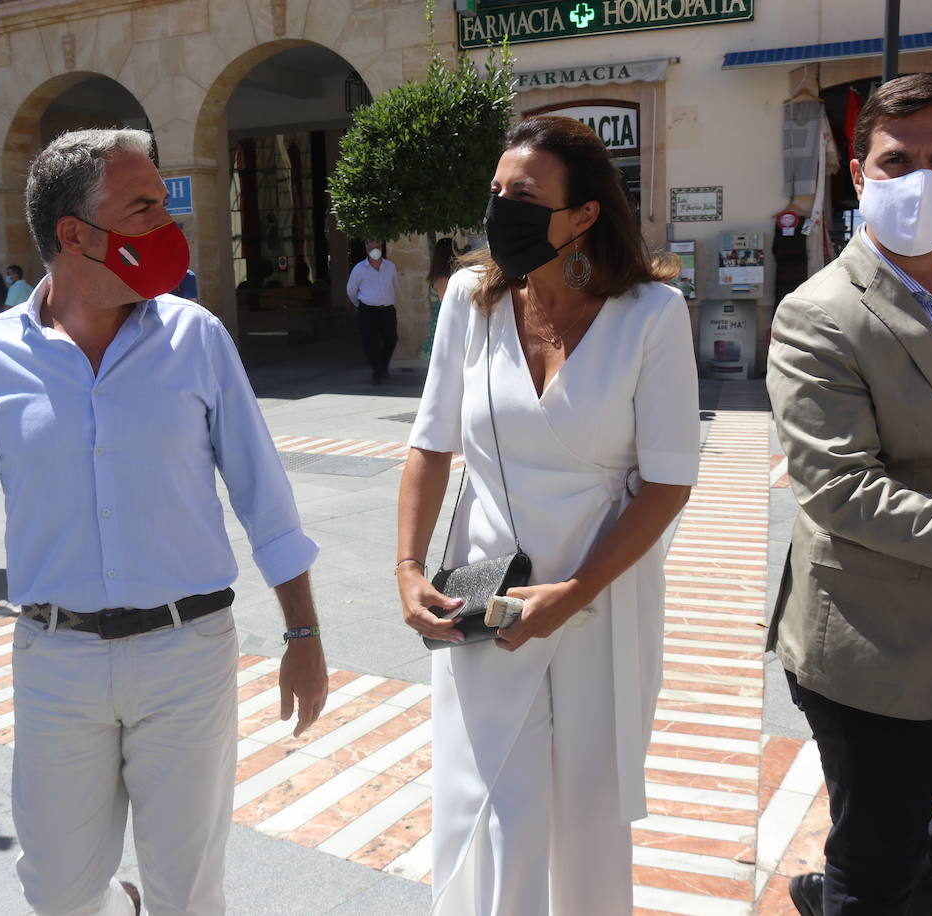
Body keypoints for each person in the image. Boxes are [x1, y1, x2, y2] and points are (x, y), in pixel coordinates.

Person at [0, 128, 328, 916]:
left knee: (190, 893)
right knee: (60, 893)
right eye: (142, 207)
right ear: (75, 234)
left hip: (188, 654)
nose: (167, 226)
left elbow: (264, 497)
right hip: (56, 660)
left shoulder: (195, 338)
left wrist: (302, 635)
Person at [395, 116, 699, 915]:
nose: (501, 210)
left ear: (585, 214)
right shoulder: (472, 299)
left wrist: (576, 591)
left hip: (601, 599)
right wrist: (407, 569)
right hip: (490, 593)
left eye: (523, 196)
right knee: (497, 808)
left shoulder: (652, 314)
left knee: (587, 815)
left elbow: (668, 482)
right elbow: (429, 445)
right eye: (496, 193)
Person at [766, 73, 932, 916]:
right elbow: (841, 489)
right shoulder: (820, 314)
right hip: (879, 653)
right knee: (875, 866)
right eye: (898, 159)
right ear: (860, 170)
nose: (921, 178)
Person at [346, 241, 398, 383]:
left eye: (378, 247)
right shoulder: (359, 269)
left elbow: (395, 286)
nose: (375, 250)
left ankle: (381, 366)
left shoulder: (390, 266)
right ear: (366, 249)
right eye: (372, 247)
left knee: (391, 339)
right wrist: (360, 304)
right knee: (370, 342)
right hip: (368, 310)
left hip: (387, 309)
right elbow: (351, 290)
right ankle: (378, 371)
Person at [419, 237, 456, 359]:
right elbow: (447, 304)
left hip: (439, 325)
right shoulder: (444, 280)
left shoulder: (438, 278)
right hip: (445, 327)